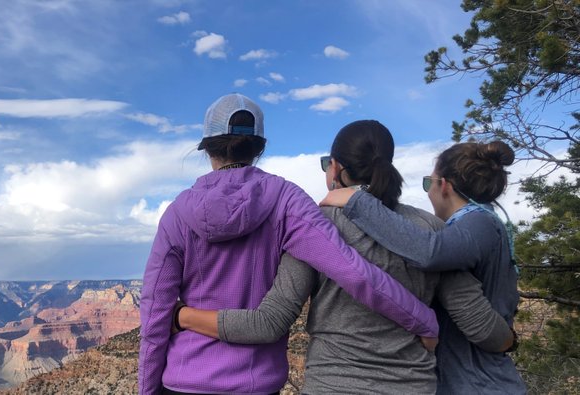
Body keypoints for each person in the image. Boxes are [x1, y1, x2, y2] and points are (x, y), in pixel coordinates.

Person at [175, 120, 515, 394]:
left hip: (332, 384)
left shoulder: (314, 228)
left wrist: (182, 316)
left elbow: (268, 323)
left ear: (335, 168)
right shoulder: (429, 228)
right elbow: (482, 328)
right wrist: (510, 340)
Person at [138, 95, 439, 395]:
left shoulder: (177, 213)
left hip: (183, 381)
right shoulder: (288, 200)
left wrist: (147, 390)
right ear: (260, 147)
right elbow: (353, 272)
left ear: (207, 148)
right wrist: (423, 320)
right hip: (255, 385)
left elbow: (154, 318)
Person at [318, 139, 526, 394]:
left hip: (479, 381)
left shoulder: (479, 223)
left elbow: (429, 252)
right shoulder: (466, 230)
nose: (428, 193)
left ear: (445, 186)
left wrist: (356, 201)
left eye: (429, 182)